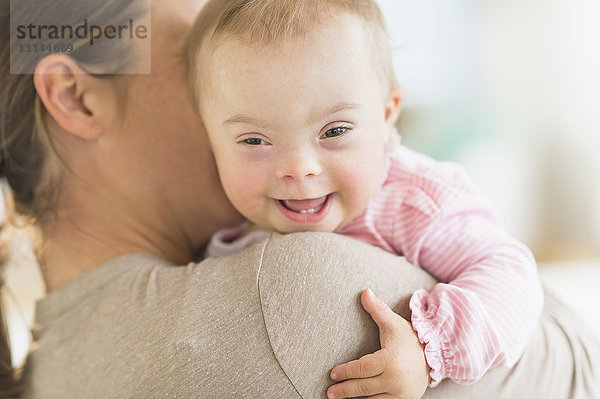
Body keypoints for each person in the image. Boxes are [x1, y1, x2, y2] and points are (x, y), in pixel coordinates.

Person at [0, 0, 598, 398]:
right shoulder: (281, 293)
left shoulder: (50, 364)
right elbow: (580, 368)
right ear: (75, 97)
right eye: (193, 61)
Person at [188, 1, 543, 396]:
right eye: (254, 140)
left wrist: (429, 352)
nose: (299, 168)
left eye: (334, 131)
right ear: (208, 137)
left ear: (387, 112)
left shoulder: (413, 202)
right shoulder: (222, 219)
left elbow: (510, 274)